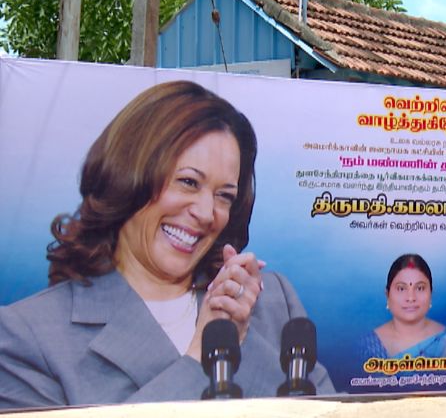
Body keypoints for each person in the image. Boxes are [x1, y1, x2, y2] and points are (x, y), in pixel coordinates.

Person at [0, 80, 334, 409]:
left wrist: (241, 339)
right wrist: (200, 358)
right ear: (127, 176)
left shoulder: (272, 300)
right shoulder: (27, 336)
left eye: (224, 196)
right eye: (188, 182)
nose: (206, 214)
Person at [357, 254, 446, 360]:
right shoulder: (368, 345)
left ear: (431, 294)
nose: (411, 298)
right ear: (387, 295)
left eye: (420, 288)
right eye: (401, 289)